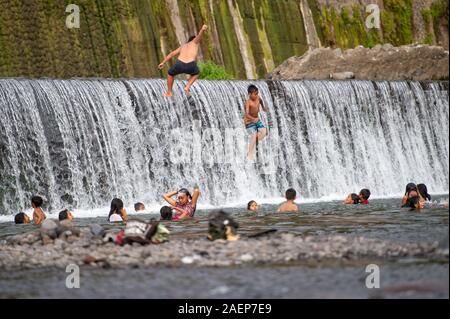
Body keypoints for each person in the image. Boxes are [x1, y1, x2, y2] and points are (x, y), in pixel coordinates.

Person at [158, 24, 208, 97]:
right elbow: (199, 36)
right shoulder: (195, 42)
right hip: (191, 65)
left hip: (179, 64)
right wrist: (202, 29)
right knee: (196, 73)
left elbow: (172, 54)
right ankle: (187, 87)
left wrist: (163, 62)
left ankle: (169, 92)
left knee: (170, 74)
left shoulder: (183, 46)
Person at [244, 85, 268, 160]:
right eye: (255, 94)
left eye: (257, 93)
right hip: (249, 122)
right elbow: (246, 114)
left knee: (264, 132)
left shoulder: (258, 98)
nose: (256, 95)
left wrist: (263, 107)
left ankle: (252, 140)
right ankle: (249, 152)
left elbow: (261, 101)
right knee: (254, 136)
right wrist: (253, 119)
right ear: (249, 94)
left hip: (256, 120)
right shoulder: (248, 102)